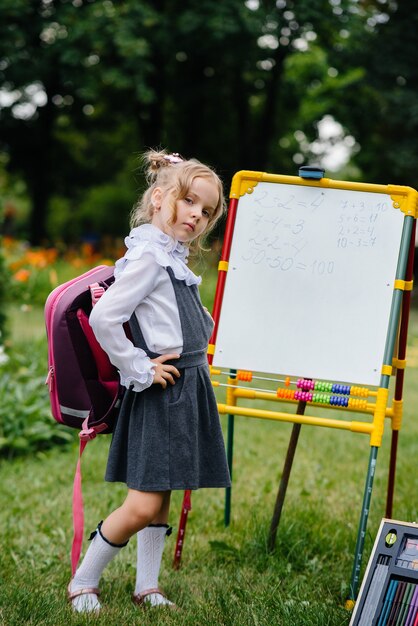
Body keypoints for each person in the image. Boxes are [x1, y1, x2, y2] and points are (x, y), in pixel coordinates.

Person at [67, 149, 231, 613]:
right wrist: (140, 367)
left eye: (206, 210)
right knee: (142, 505)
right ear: (159, 199)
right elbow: (105, 318)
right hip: (162, 391)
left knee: (163, 496)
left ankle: (147, 585)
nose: (197, 215)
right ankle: (84, 579)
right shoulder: (148, 259)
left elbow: (185, 320)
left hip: (186, 386)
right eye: (189, 202)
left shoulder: (170, 259)